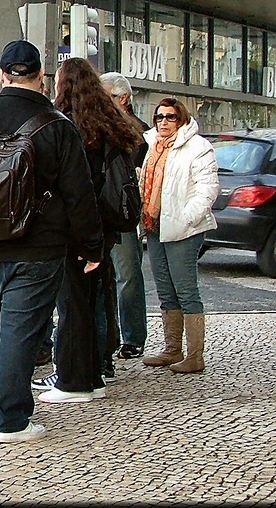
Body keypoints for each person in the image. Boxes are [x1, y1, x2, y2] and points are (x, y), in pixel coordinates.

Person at [0, 40, 103, 443]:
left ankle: (8, 399)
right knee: (19, 330)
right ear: (41, 77)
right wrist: (91, 246)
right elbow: (79, 195)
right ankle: (11, 419)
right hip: (38, 247)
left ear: (1, 75)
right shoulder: (58, 126)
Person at [33, 58, 144, 404]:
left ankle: (73, 379)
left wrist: (83, 237)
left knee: (72, 305)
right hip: (107, 225)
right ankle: (93, 372)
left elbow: (77, 190)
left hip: (78, 228)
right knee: (95, 299)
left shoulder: (70, 128)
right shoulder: (108, 123)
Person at [140, 97, 219, 373]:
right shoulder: (151, 143)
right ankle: (172, 349)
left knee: (186, 290)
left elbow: (207, 189)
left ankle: (195, 355)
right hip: (155, 224)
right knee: (165, 290)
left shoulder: (198, 147)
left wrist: (187, 218)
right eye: (159, 116)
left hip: (184, 227)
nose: (163, 122)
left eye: (170, 116)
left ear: (181, 118)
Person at [100, 72, 151, 360]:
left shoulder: (137, 133)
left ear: (123, 99)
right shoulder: (101, 126)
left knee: (127, 274)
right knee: (107, 278)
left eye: (107, 97)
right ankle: (112, 335)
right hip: (103, 212)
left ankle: (133, 336)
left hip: (122, 211)